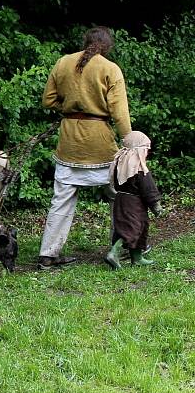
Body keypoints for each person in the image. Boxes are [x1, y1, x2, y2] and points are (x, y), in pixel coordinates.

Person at [38, 26, 132, 270]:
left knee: (61, 200)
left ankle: (48, 254)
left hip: (69, 140)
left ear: (86, 42)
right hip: (99, 141)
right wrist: (129, 142)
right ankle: (120, 247)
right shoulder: (110, 69)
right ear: (107, 46)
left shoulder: (63, 63)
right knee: (119, 195)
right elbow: (119, 113)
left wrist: (69, 109)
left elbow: (48, 100)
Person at [104, 131, 162, 269]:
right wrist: (156, 205)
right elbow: (149, 189)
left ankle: (137, 258)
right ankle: (113, 253)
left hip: (120, 200)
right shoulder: (139, 169)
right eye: (146, 150)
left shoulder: (120, 164)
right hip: (134, 204)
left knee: (135, 228)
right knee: (132, 230)